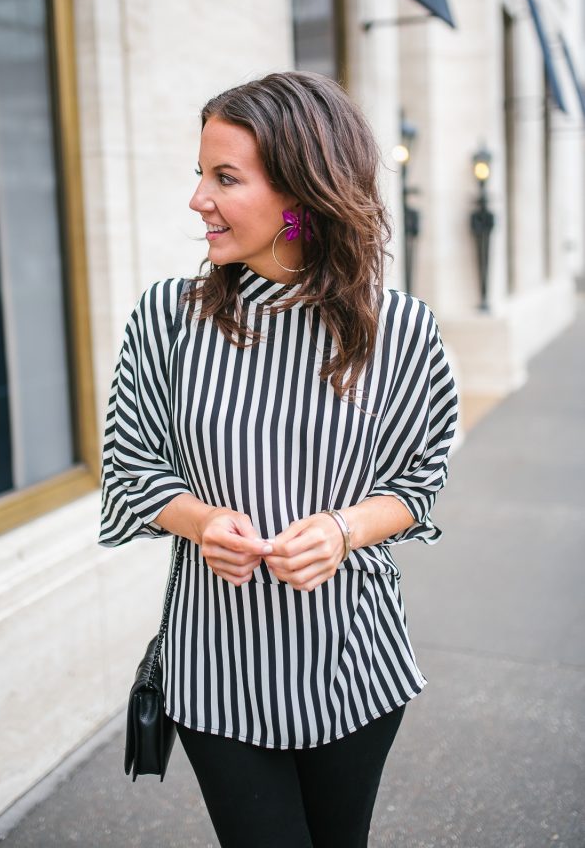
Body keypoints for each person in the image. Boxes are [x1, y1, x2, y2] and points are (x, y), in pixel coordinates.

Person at [100, 71, 458, 848]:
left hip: (352, 661)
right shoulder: (169, 318)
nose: (198, 198)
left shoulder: (400, 329)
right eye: (200, 172)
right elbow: (131, 466)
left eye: (225, 177)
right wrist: (199, 520)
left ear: (306, 193)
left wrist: (342, 529)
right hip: (215, 662)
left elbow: (419, 483)